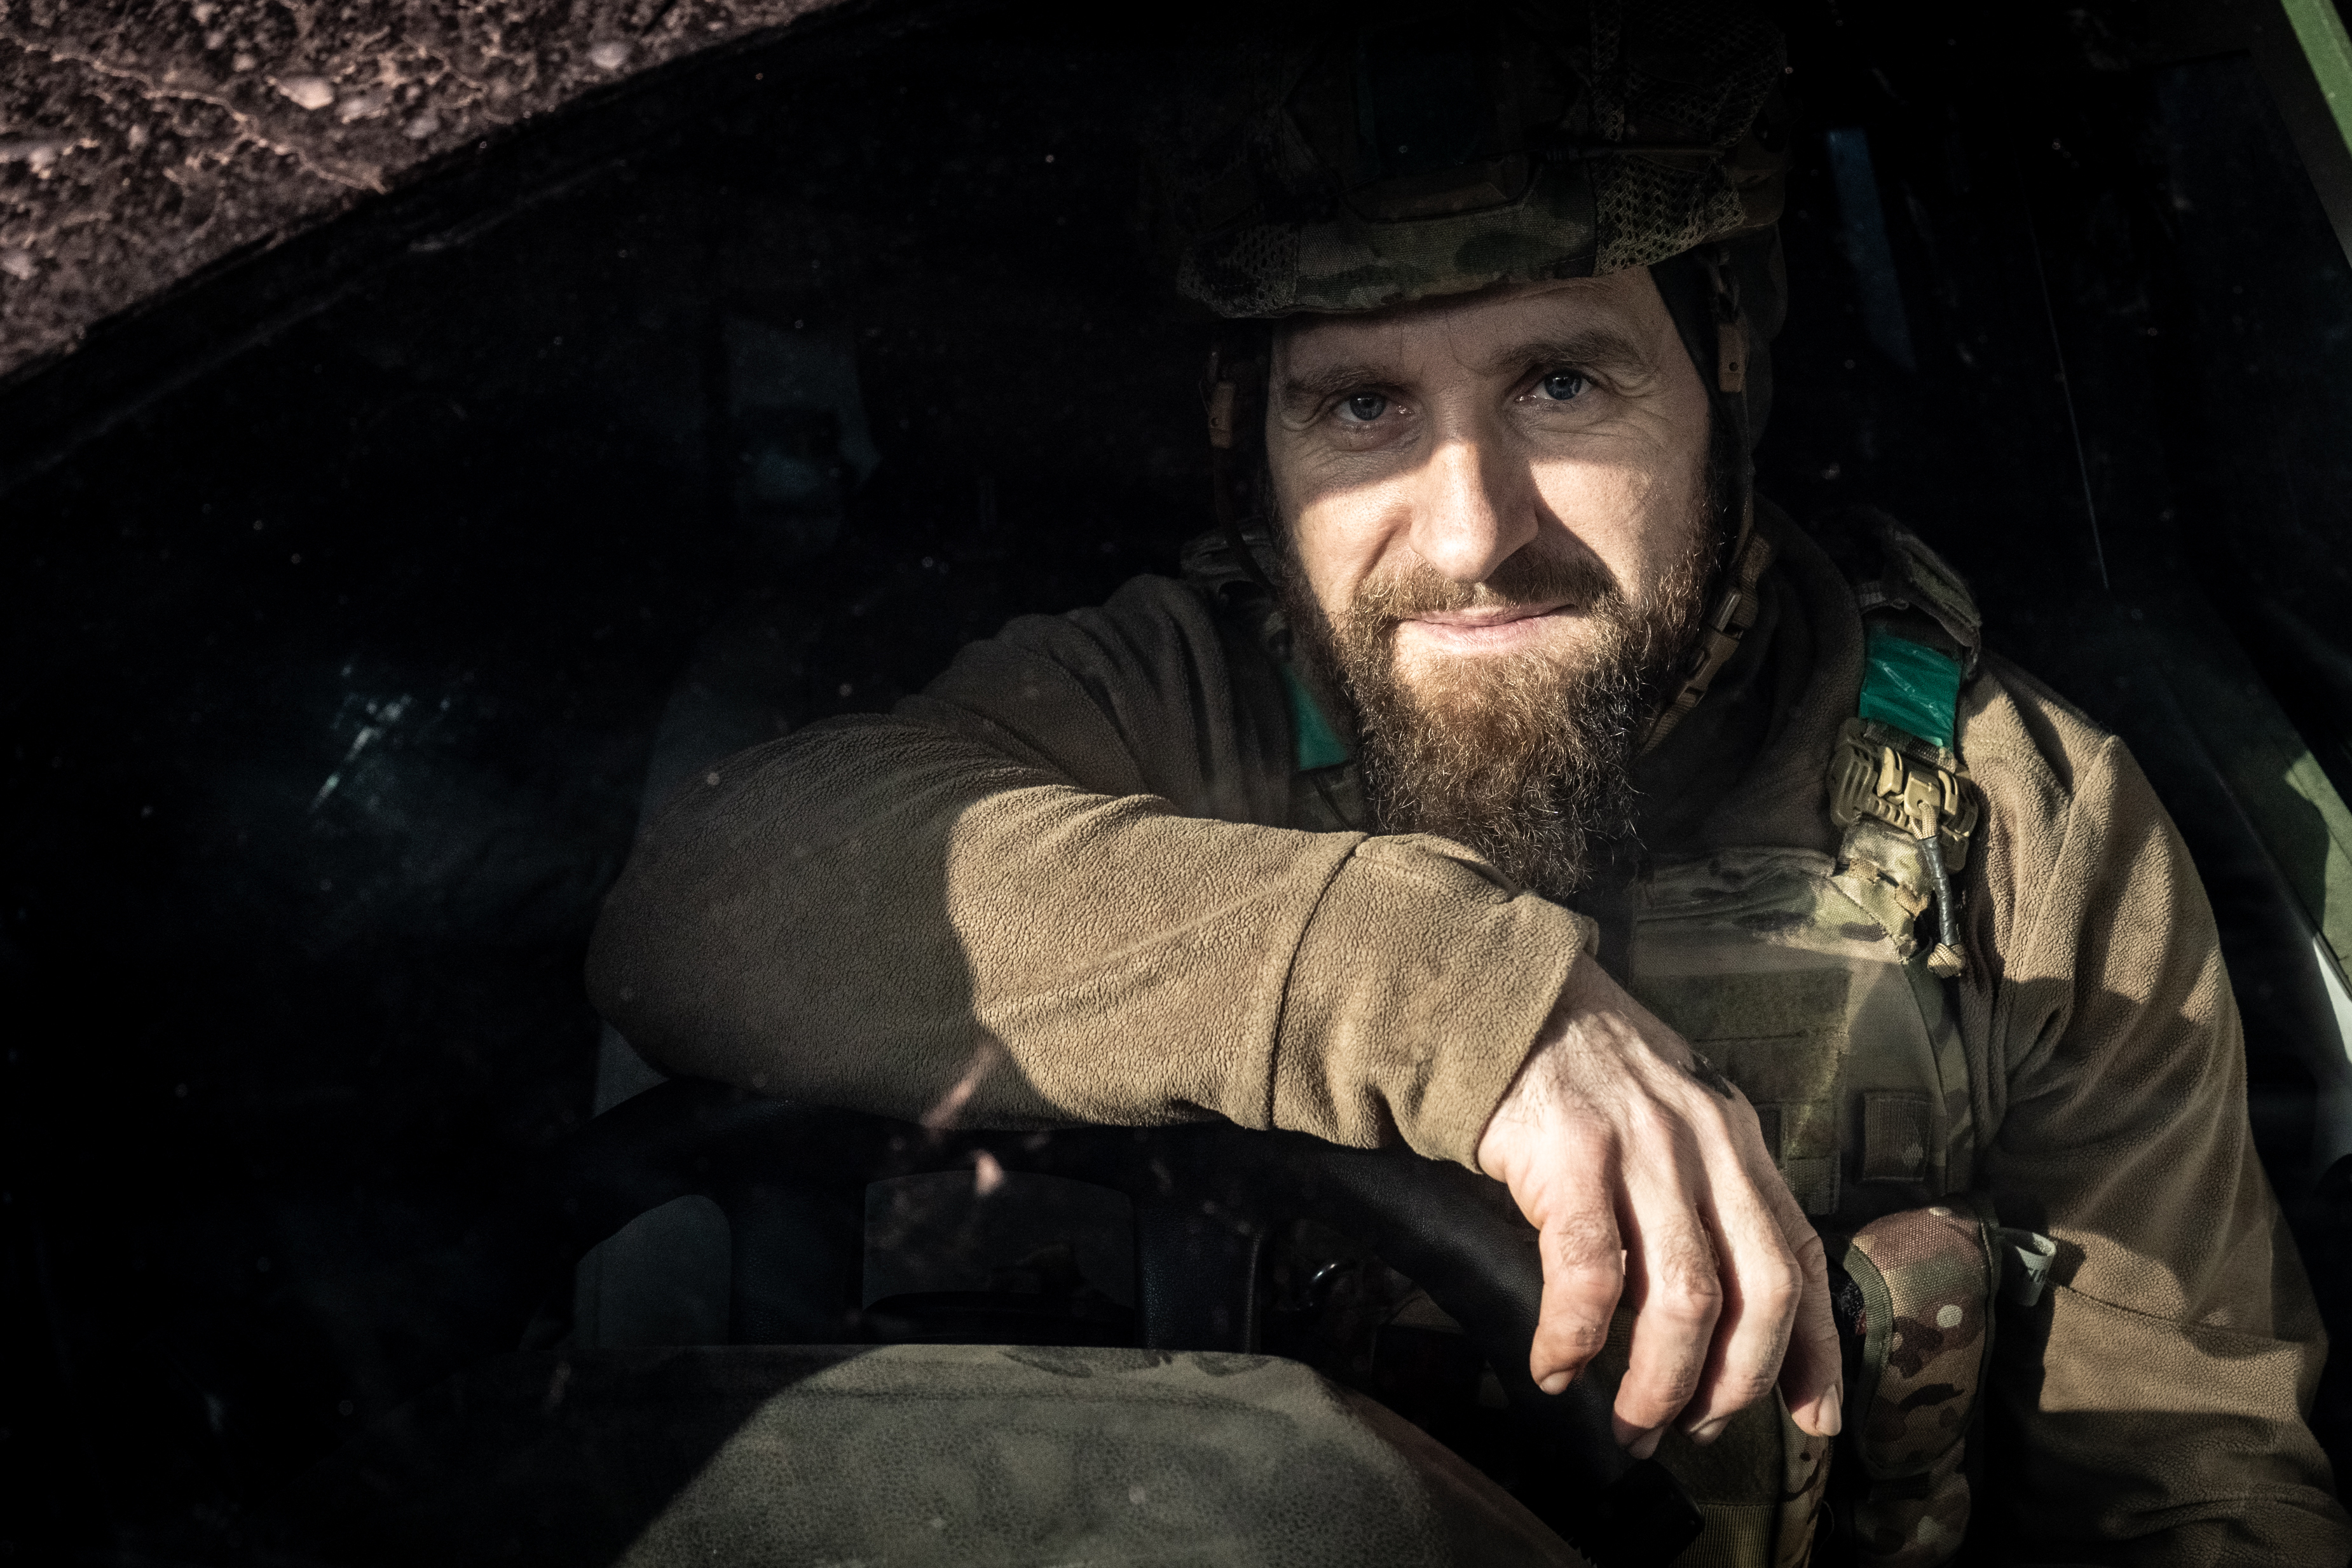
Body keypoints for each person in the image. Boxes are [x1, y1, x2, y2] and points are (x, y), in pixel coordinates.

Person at [585, 3, 2351, 1560]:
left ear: (1727, 368)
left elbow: (2193, 1495)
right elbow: (711, 902)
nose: (1469, 534)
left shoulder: (2015, 823)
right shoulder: (1163, 705)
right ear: (1249, 443)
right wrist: (1442, 991)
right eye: (1361, 408)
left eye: (1561, 382)